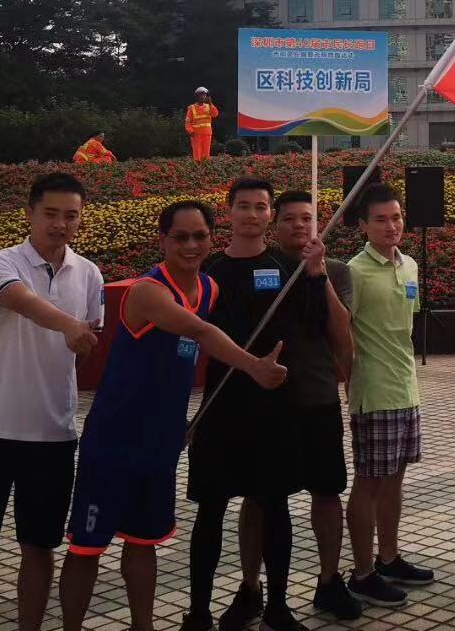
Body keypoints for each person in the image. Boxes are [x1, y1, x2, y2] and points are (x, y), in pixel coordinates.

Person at [60, 200, 289, 631]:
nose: (191, 244)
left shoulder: (208, 288)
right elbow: (201, 332)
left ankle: (143, 625)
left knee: (143, 542)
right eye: (180, 237)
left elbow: (201, 348)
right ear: (162, 240)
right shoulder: (148, 291)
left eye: (200, 236)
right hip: (113, 442)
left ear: (210, 239)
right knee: (87, 547)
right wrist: (254, 366)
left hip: (161, 444)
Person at [184, 184, 361, 631]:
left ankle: (278, 608)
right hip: (222, 406)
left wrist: (317, 273)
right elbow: (190, 331)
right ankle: (202, 612)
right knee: (212, 510)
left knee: (274, 504)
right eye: (243, 206)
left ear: (269, 215)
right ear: (229, 212)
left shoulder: (290, 267)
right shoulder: (209, 269)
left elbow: (322, 324)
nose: (252, 214)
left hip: (276, 408)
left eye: (260, 207)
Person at [0, 172, 103, 631]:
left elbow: (92, 335)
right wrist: (70, 326)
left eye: (71, 216)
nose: (60, 224)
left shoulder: (88, 273)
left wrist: (82, 340)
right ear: (29, 213)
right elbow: (21, 300)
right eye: (50, 214)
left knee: (39, 547)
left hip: (52, 432)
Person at [344, 183, 435, 607]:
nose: (391, 225)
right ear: (362, 225)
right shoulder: (354, 272)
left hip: (406, 387)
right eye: (380, 219)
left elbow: (407, 326)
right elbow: (342, 331)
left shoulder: (411, 265)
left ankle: (389, 557)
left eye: (396, 217)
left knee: (395, 478)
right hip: (373, 390)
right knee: (369, 481)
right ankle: (361, 573)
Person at [187, 87, 220, 161]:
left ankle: (205, 169)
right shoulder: (191, 108)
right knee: (197, 153)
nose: (203, 97)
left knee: (206, 153)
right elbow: (187, 122)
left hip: (207, 134)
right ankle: (197, 168)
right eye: (201, 95)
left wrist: (211, 103)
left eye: (204, 95)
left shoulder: (209, 106)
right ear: (197, 96)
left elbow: (215, 114)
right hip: (196, 134)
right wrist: (190, 131)